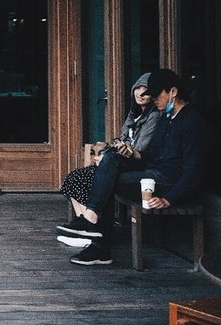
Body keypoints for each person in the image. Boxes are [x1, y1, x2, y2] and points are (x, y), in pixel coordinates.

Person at [60, 68, 208, 266]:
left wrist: (168, 199)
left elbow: (193, 172)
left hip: (168, 182)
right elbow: (150, 154)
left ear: (172, 92)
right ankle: (92, 220)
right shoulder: (167, 118)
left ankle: (99, 244)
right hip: (152, 173)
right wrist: (132, 153)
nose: (153, 100)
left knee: (106, 180)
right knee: (112, 157)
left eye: (156, 95)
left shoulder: (191, 122)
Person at [56, 73, 158, 245]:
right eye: (138, 88)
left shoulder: (153, 117)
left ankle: (92, 230)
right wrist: (110, 151)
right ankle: (85, 229)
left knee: (93, 178)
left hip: (135, 165)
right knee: (74, 178)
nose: (140, 93)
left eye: (146, 91)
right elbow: (121, 139)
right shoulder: (133, 115)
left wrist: (115, 153)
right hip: (120, 162)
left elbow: (140, 149)